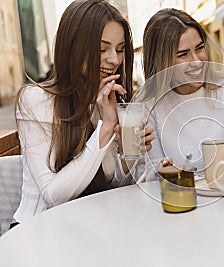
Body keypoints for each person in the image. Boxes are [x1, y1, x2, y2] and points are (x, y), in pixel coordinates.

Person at [12, 0, 155, 225]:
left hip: (87, 226)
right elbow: (54, 195)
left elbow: (113, 186)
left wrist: (130, 151)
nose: (114, 59)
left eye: (119, 49)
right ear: (73, 47)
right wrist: (105, 128)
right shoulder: (35, 100)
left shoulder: (105, 101)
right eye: (102, 49)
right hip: (37, 229)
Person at [138, 8, 224, 177]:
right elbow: (153, 173)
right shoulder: (150, 104)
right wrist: (161, 171)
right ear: (162, 62)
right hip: (179, 197)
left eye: (199, 48)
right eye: (183, 54)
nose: (197, 62)